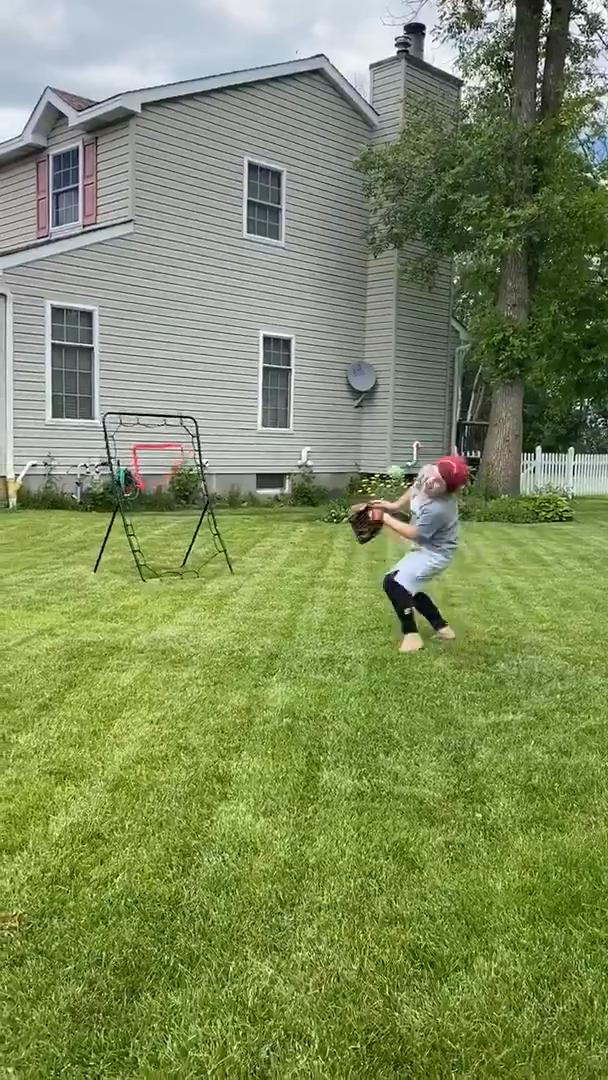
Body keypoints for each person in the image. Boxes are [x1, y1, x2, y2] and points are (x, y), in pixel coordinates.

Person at [371, 455, 469, 653]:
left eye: (441, 481)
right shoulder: (427, 473)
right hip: (425, 549)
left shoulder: (439, 508)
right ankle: (442, 628)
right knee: (405, 588)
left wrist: (385, 518)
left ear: (448, 488)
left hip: (436, 553)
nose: (432, 480)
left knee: (393, 584)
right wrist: (395, 506)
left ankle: (412, 636)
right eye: (436, 473)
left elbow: (415, 535)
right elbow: (415, 488)